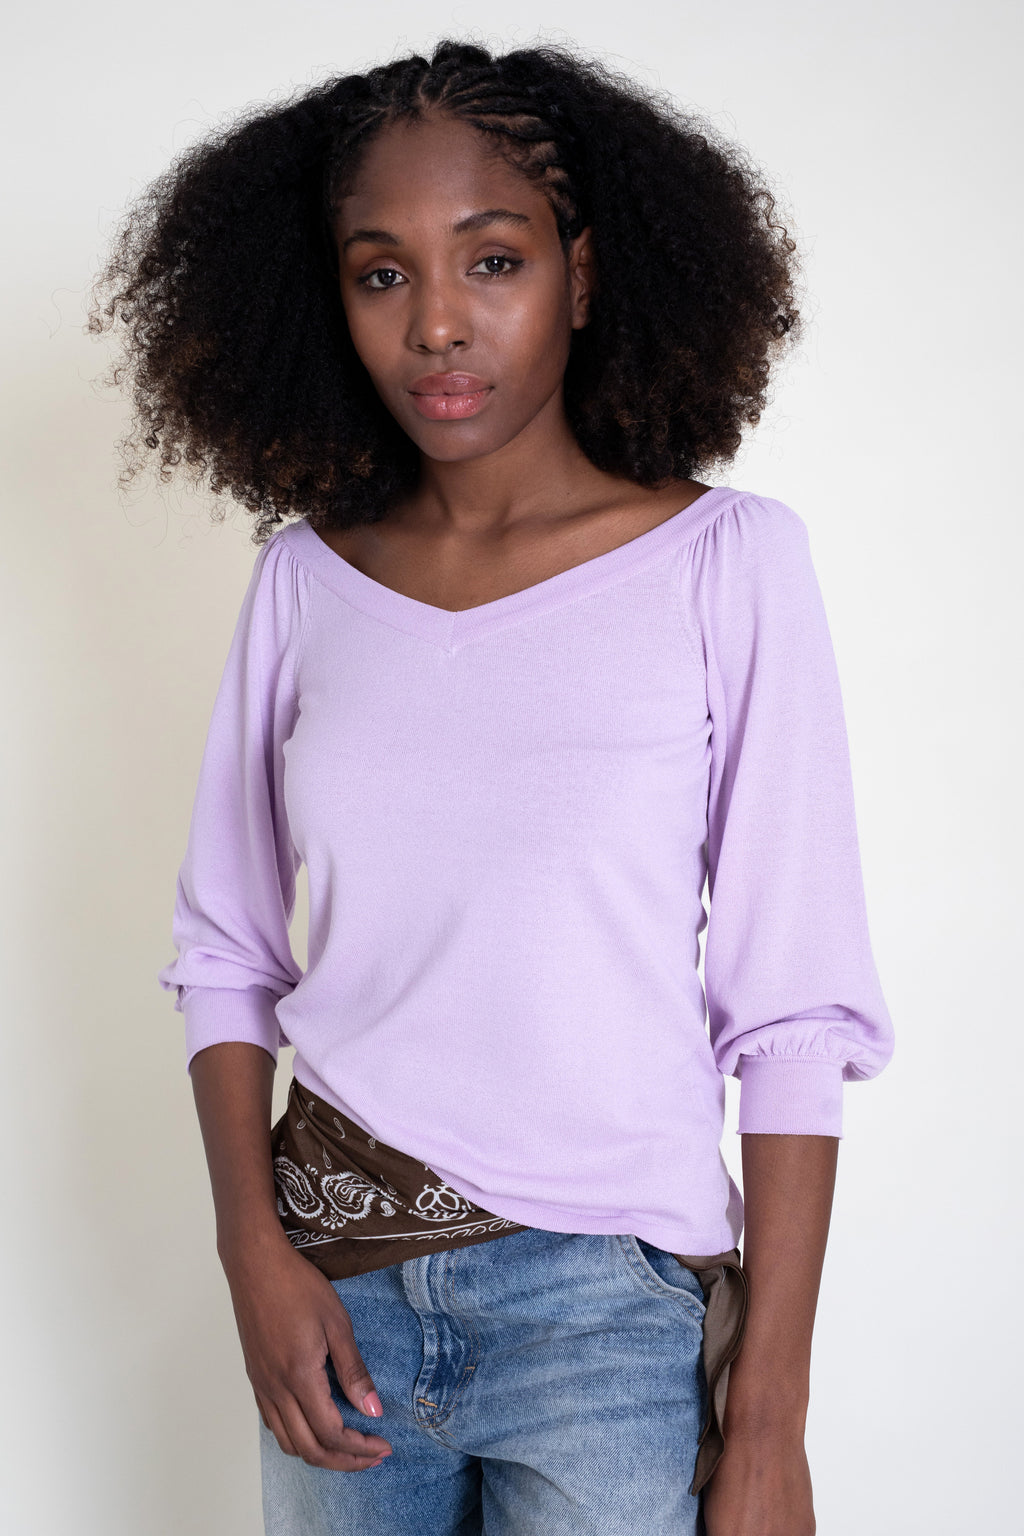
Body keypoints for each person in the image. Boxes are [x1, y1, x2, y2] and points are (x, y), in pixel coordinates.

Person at [92, 37, 895, 1536]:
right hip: (338, 1290)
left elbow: (792, 1011)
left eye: (494, 260)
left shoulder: (726, 565)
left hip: (611, 1319)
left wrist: (771, 1419)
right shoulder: (306, 585)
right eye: (382, 273)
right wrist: (251, 1257)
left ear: (582, 276)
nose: (439, 323)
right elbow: (226, 957)